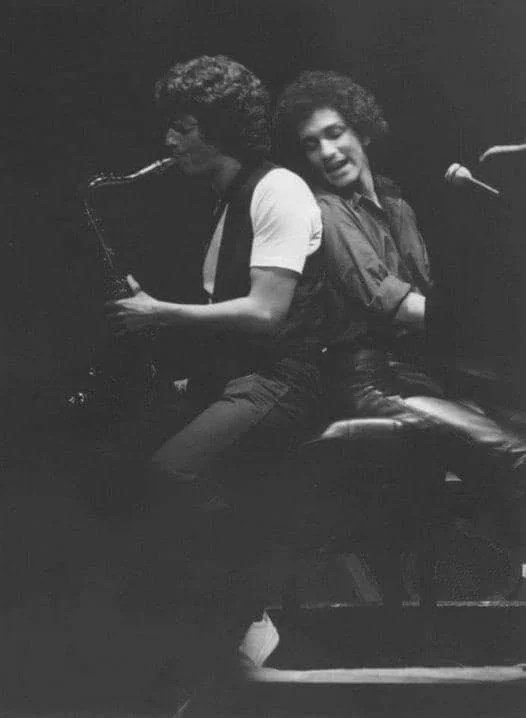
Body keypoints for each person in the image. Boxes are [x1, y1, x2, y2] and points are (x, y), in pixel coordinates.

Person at [105, 56, 325, 713]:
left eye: (183, 126)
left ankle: (246, 606)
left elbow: (265, 313)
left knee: (172, 472)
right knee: (123, 469)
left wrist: (159, 313)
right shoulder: (230, 200)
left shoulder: (278, 189)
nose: (169, 141)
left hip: (287, 378)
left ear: (220, 127)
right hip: (242, 378)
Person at [274, 70, 526, 579]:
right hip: (369, 383)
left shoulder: (399, 209)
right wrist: (489, 326)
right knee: (515, 450)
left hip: (420, 375)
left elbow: (428, 300)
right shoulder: (326, 213)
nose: (327, 152)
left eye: (335, 133)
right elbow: (398, 307)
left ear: (362, 130)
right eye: (311, 144)